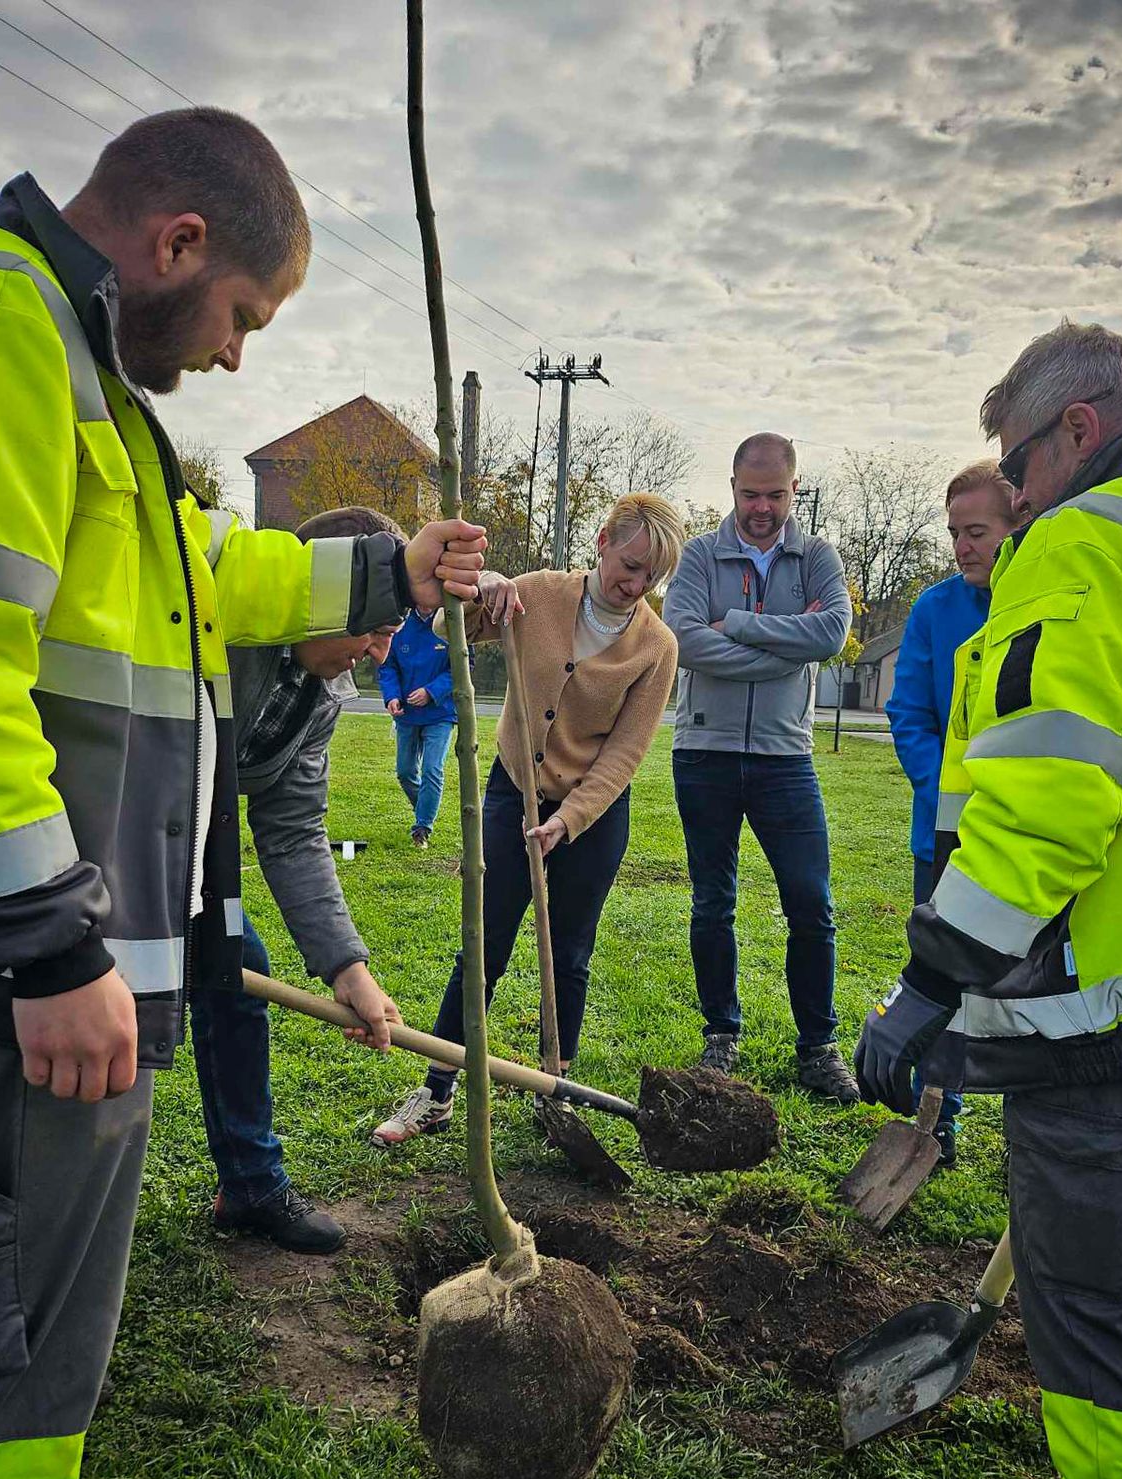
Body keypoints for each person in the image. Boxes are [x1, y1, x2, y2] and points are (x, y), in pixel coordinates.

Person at [0, 110, 484, 1479]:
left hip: (88, 967)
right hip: (46, 973)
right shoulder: (12, 326)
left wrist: (398, 571)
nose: (235, 359)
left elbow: (215, 571)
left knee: (45, 1328)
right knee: (20, 1325)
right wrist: (46, 933)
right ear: (179, 243)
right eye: (244, 321)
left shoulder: (90, 382)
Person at [853, 322, 1122, 1479]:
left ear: (1077, 432)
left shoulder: (1098, 537)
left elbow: (1054, 799)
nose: (1011, 498)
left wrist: (930, 983)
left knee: (1108, 1332)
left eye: (1016, 462)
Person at [372, 493, 682, 1146]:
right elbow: (441, 628)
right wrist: (477, 589)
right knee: (483, 943)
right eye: (630, 566)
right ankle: (437, 1090)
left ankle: (556, 1093)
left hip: (591, 816)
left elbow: (625, 752)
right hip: (514, 792)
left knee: (568, 954)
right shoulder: (536, 593)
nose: (636, 586)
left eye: (651, 578)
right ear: (601, 541)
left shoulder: (657, 648)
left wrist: (568, 821)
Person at [192, 506, 407, 1258]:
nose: (376, 653)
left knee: (239, 973)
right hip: (109, 841)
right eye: (372, 627)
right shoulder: (219, 631)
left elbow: (291, 830)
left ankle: (249, 1186)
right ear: (313, 589)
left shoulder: (322, 695)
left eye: (390, 636)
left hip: (194, 859)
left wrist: (348, 967)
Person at [662, 433, 859, 1102]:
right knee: (713, 902)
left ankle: (818, 1047)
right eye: (751, 494)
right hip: (704, 753)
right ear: (733, 488)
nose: (762, 509)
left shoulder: (818, 558)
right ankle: (721, 1034)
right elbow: (682, 639)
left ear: (794, 489)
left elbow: (830, 633)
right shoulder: (696, 554)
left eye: (776, 495)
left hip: (785, 761)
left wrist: (737, 623)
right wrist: (784, 645)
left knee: (812, 904)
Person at [885, 460, 1015, 1162]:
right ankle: (940, 1123)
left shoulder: (1040, 600)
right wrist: (948, 797)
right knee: (941, 975)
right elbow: (909, 712)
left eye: (977, 531)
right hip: (942, 835)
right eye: (954, 533)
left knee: (1026, 982)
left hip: (1027, 832)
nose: (963, 547)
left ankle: (1032, 1128)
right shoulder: (936, 609)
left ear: (1016, 524)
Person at [377, 583, 460, 848]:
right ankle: (423, 807)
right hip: (407, 714)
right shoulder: (400, 625)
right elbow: (387, 665)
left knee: (432, 770)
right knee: (405, 772)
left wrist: (431, 691)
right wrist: (392, 696)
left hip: (440, 713)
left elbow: (461, 666)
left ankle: (422, 829)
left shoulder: (450, 623)